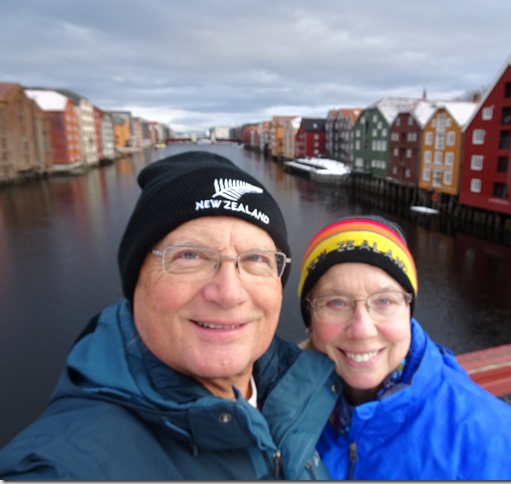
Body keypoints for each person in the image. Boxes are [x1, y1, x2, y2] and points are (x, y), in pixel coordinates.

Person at [0, 151, 342, 480]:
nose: (229, 293)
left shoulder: (304, 391)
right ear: (137, 283)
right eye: (190, 256)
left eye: (256, 259)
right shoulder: (70, 463)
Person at [297, 215, 511, 480]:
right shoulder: (279, 410)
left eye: (384, 301)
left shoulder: (487, 435)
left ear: (407, 312)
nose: (362, 330)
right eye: (336, 302)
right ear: (310, 319)